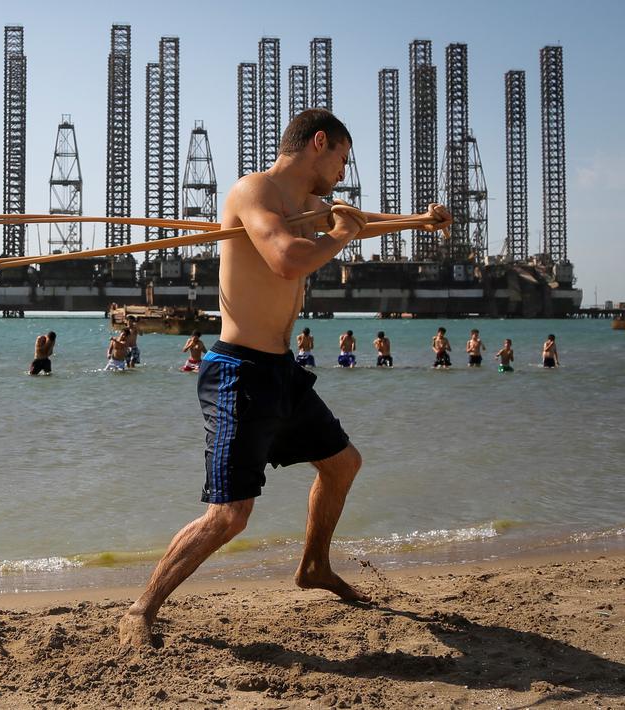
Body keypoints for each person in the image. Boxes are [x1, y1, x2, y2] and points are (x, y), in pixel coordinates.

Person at [118, 108, 451, 647]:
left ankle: (314, 565)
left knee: (342, 465)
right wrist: (339, 234)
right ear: (319, 142)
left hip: (280, 370)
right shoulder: (255, 191)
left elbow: (359, 219)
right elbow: (287, 259)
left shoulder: (308, 207)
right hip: (238, 372)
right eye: (342, 158)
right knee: (229, 515)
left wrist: (418, 221)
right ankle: (141, 609)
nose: (343, 172)